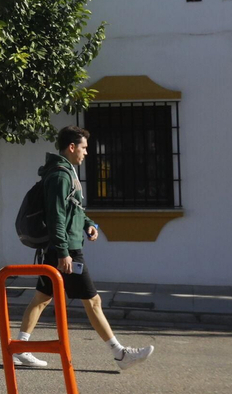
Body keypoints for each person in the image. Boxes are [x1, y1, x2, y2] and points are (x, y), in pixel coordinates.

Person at [14, 126, 154, 371]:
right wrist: (64, 252)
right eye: (84, 148)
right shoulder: (60, 175)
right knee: (94, 301)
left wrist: (89, 224)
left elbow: (73, 208)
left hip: (62, 246)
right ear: (71, 147)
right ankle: (120, 354)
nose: (86, 153)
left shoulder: (66, 172)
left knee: (41, 299)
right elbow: (56, 215)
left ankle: (20, 348)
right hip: (66, 249)